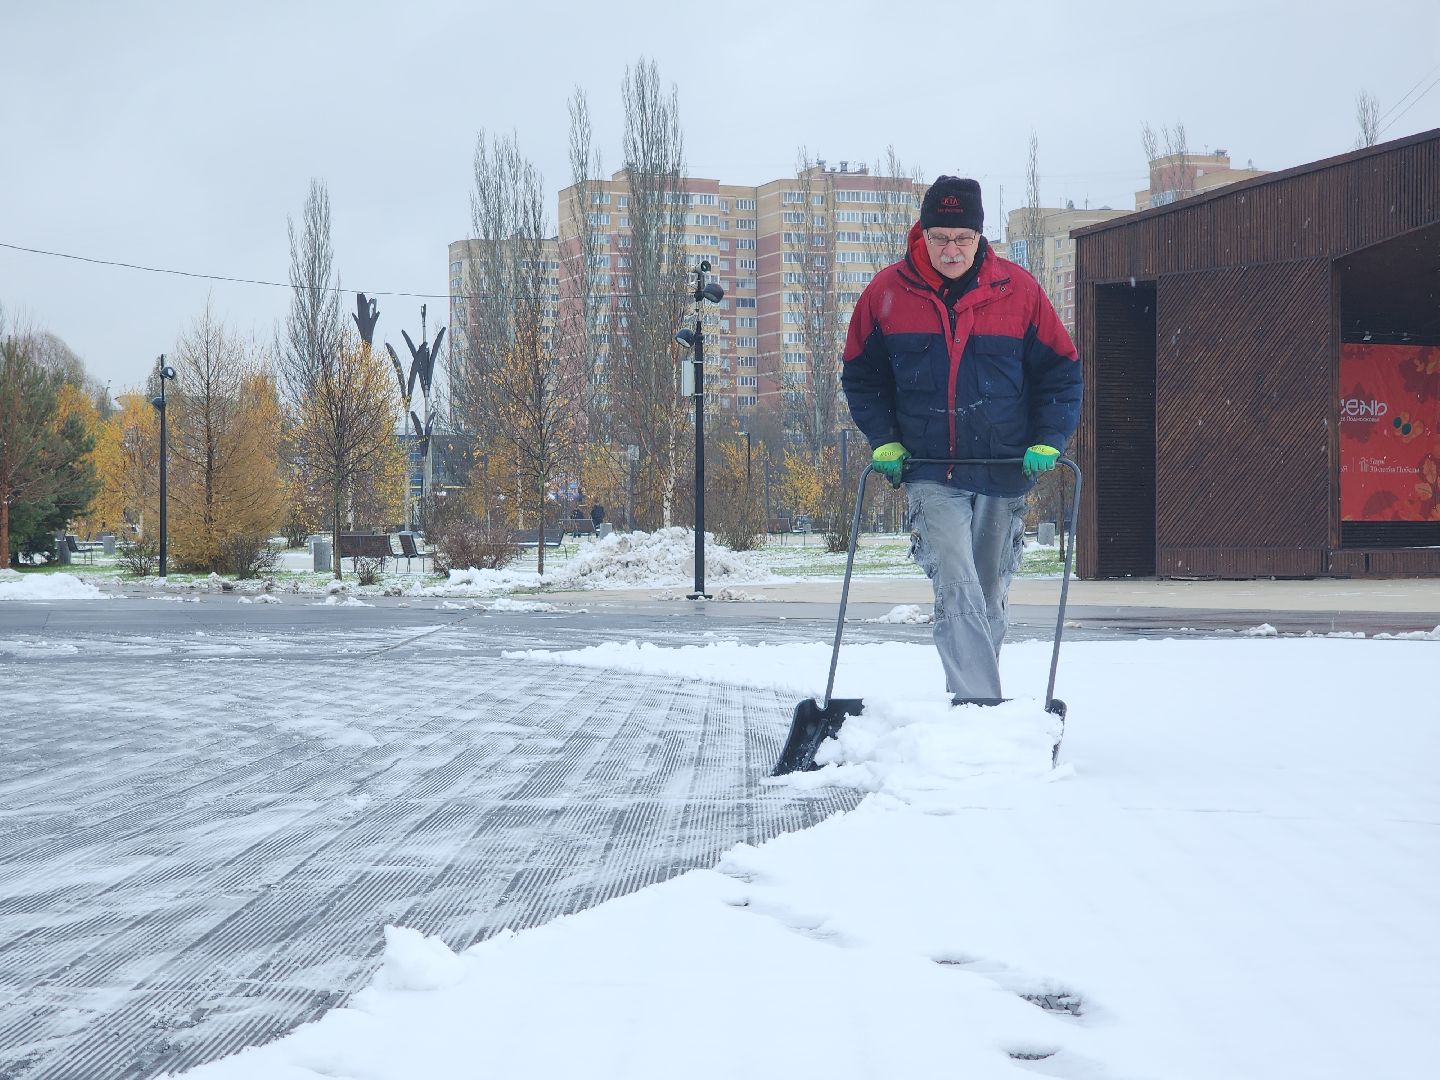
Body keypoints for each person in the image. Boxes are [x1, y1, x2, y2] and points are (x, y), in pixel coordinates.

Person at [840, 176, 1082, 702]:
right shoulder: (887, 293)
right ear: (922, 233)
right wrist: (884, 439)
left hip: (1004, 466)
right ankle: (980, 706)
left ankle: (975, 703)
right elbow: (861, 376)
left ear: (979, 237)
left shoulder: (1018, 292)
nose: (951, 250)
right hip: (929, 469)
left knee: (989, 591)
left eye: (963, 239)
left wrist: (1050, 437)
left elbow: (1061, 372)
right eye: (940, 237)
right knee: (957, 584)